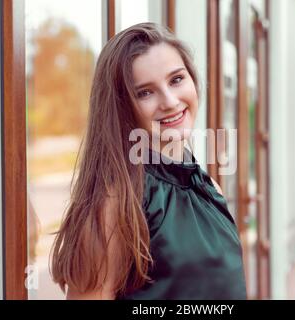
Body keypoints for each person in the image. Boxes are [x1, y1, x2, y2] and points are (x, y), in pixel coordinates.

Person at [50, 22, 246, 300]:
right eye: (145, 92)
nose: (170, 101)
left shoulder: (210, 187)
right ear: (122, 107)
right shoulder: (116, 201)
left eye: (176, 79)